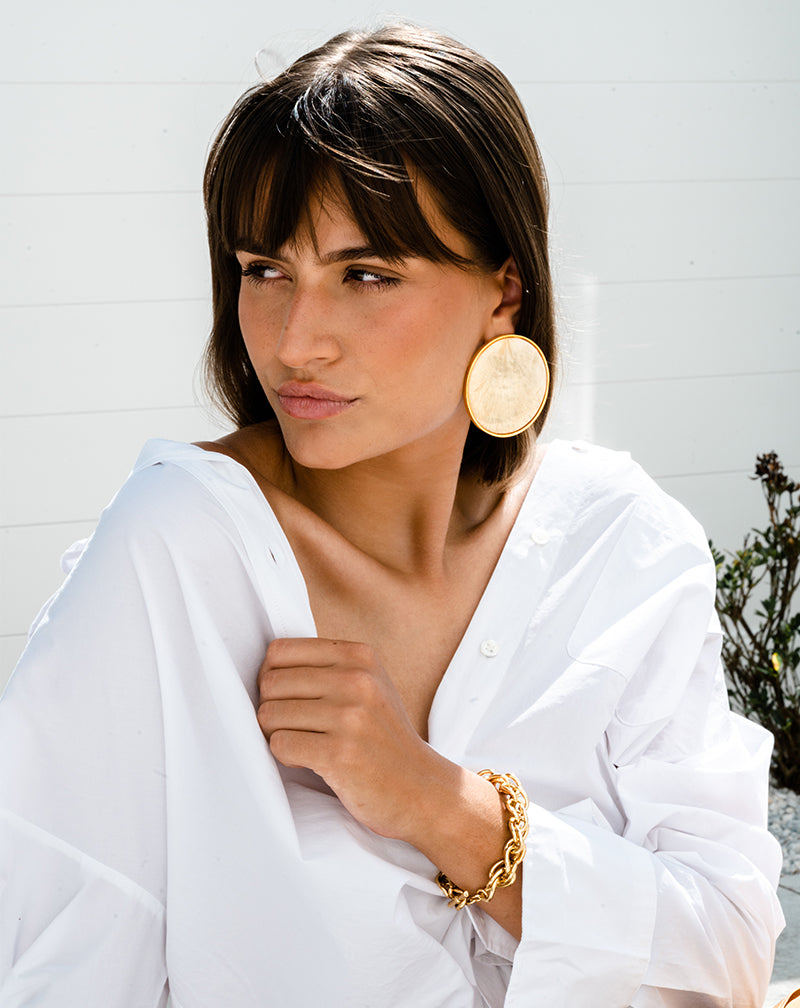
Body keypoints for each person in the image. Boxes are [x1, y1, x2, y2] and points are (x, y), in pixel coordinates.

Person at [0, 23, 785, 1008]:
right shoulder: (175, 554)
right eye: (262, 269)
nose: (295, 340)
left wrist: (438, 805)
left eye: (365, 276)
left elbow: (728, 952)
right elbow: (59, 965)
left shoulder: (622, 547)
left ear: (504, 288)